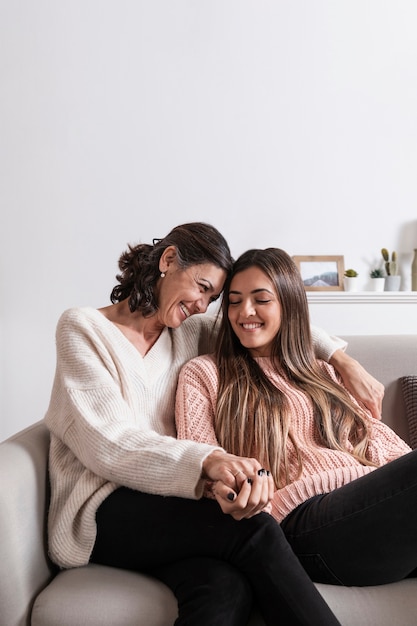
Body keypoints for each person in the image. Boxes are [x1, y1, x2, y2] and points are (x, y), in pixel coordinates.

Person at [44, 223, 379, 626]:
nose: (204, 306)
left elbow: (275, 322)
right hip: (101, 508)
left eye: (213, 297)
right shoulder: (82, 328)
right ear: (168, 260)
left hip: (169, 506)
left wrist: (342, 359)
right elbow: (109, 443)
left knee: (224, 587)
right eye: (202, 287)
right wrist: (209, 461)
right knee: (252, 527)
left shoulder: (185, 331)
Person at [175, 246, 416, 593]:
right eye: (235, 300)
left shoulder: (323, 372)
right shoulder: (206, 373)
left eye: (261, 299)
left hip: (373, 513)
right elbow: (201, 459)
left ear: (288, 304)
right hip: (303, 524)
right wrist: (231, 488)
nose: (245, 312)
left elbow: (383, 442)